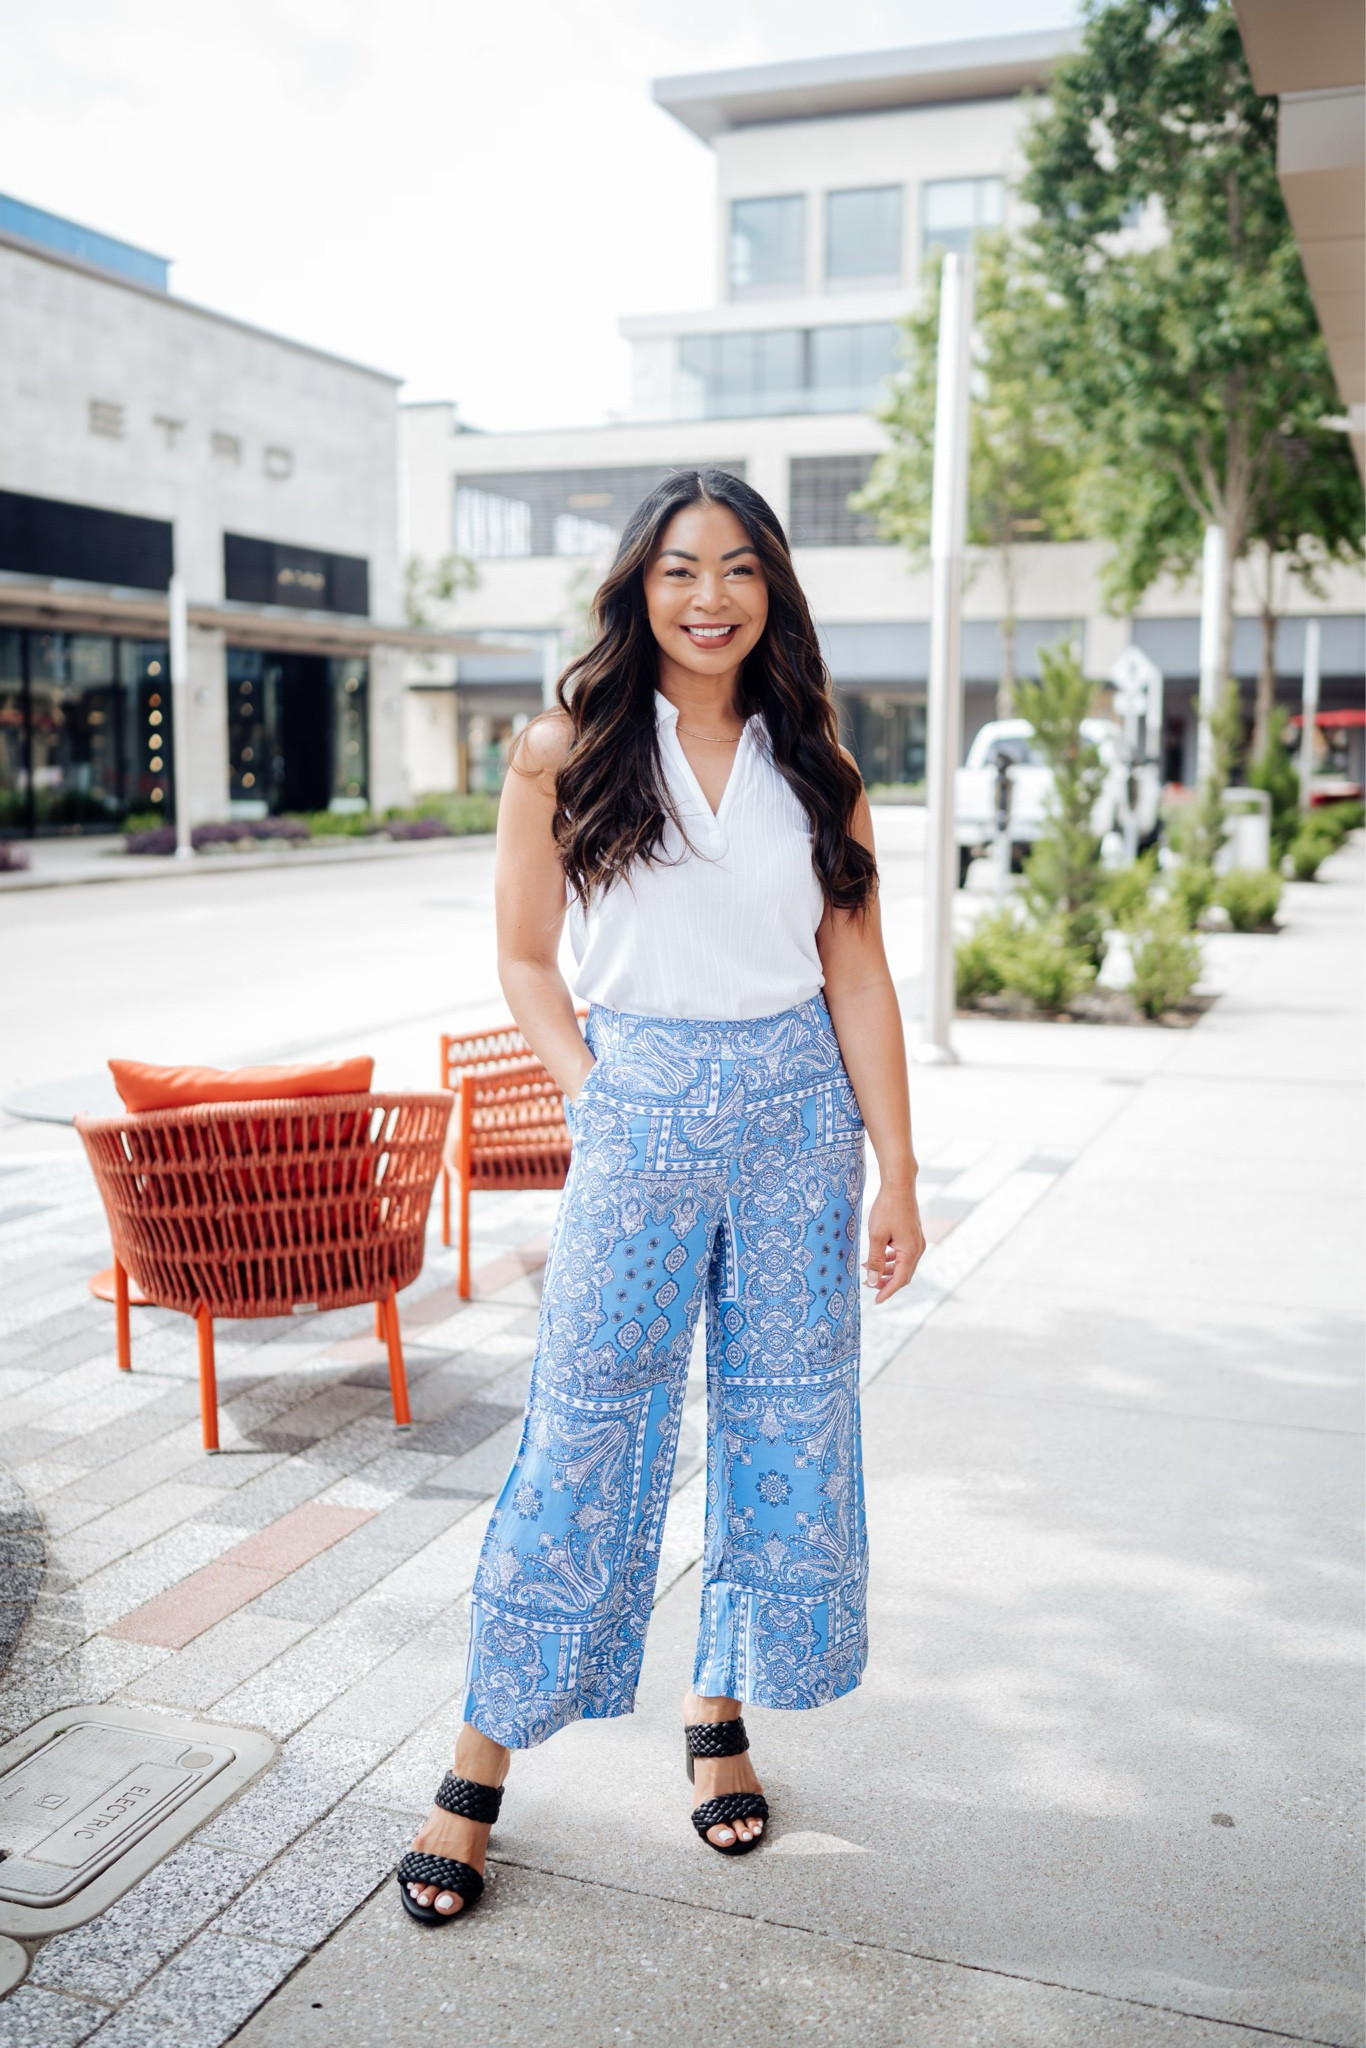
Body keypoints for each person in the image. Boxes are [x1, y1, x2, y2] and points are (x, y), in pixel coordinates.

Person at [397, 468, 925, 1924]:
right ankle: (472, 1770)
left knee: (778, 1430)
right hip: (634, 1126)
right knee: (583, 1431)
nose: (711, 597)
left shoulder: (815, 755)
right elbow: (520, 953)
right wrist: (589, 1085)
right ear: (639, 584)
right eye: (683, 568)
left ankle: (718, 1717)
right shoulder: (563, 745)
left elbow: (859, 973)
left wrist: (899, 1167)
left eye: (741, 568)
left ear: (774, 590)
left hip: (794, 1130)